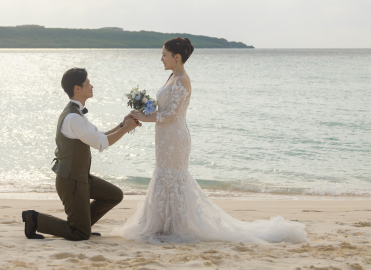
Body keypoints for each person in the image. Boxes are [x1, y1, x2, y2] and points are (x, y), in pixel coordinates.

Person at [115, 37, 309, 244]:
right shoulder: (172, 76)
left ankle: (177, 225)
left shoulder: (183, 80)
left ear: (177, 57)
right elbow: (165, 109)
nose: (161, 59)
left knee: (174, 177)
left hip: (175, 138)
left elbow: (172, 114)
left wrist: (146, 118)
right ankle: (163, 224)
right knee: (163, 175)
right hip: (165, 138)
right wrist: (145, 110)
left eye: (164, 54)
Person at [22, 67, 139, 240]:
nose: (91, 86)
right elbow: (100, 143)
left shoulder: (77, 114)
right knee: (80, 234)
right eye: (88, 83)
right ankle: (34, 219)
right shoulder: (73, 118)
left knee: (114, 195)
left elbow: (98, 136)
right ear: (77, 89)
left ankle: (82, 223)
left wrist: (123, 125)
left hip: (82, 177)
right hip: (71, 181)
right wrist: (126, 129)